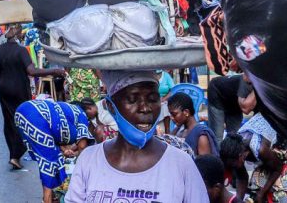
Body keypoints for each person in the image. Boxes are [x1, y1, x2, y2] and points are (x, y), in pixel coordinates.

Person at [65, 70, 208, 202]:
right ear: (110, 106)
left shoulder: (181, 163)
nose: (145, 108)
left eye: (152, 99)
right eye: (132, 100)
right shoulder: (89, 160)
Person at [0, 23, 67, 170]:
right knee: (22, 120)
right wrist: (54, 71)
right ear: (17, 34)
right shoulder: (21, 51)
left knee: (9, 120)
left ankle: (13, 154)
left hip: (3, 88)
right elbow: (32, 71)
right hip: (19, 89)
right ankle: (16, 155)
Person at [14, 99, 94, 203]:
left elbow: (54, 136)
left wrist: (65, 151)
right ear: (89, 107)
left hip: (22, 112)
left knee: (47, 161)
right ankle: (47, 199)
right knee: (49, 163)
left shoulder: (65, 112)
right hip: (35, 115)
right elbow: (83, 147)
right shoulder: (81, 114)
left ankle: (51, 197)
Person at [220, 115, 287, 203]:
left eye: (233, 165)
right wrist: (238, 201)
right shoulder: (235, 147)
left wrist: (261, 193)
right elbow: (242, 178)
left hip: (286, 139)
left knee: (281, 189)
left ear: (241, 156)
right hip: (270, 143)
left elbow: (278, 168)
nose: (233, 168)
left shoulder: (261, 149)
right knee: (257, 183)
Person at [207, 74, 255, 142]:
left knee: (235, 136)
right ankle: (216, 152)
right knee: (217, 136)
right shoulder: (246, 81)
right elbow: (246, 109)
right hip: (216, 92)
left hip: (234, 101)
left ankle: (230, 151)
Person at [169, 92, 219, 156]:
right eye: (170, 114)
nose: (172, 118)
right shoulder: (179, 130)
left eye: (174, 114)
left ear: (186, 112)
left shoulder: (201, 135)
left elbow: (204, 164)